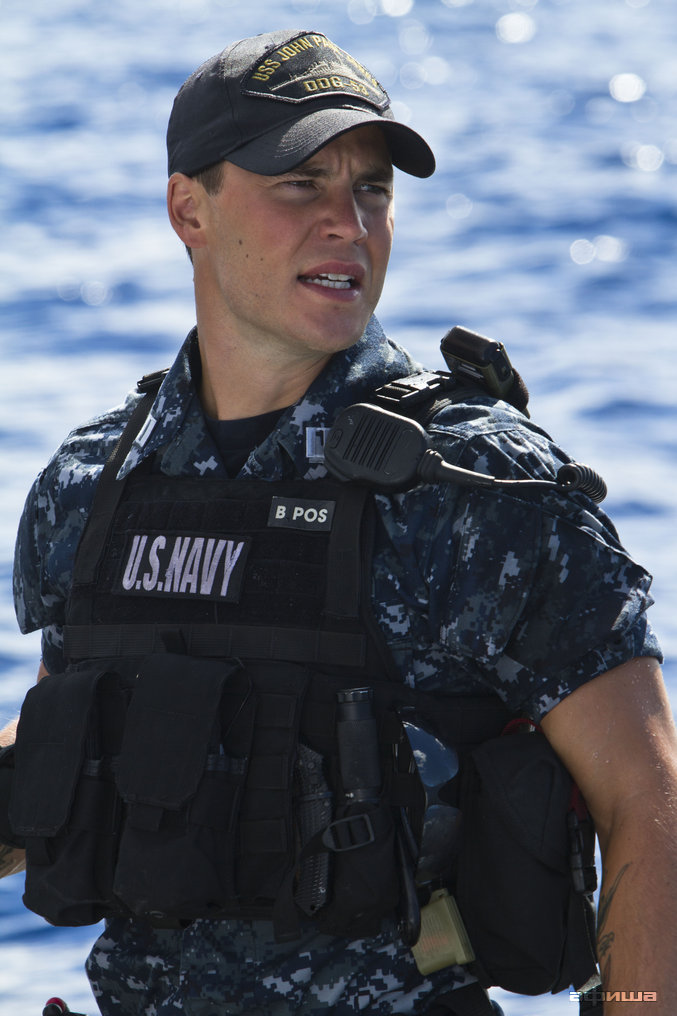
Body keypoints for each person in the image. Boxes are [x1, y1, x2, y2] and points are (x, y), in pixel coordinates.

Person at [2, 27, 677, 1016]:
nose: (347, 223)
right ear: (189, 208)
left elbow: (647, 801)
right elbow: (77, 737)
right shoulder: (90, 487)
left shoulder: (474, 485)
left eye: (371, 189)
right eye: (300, 183)